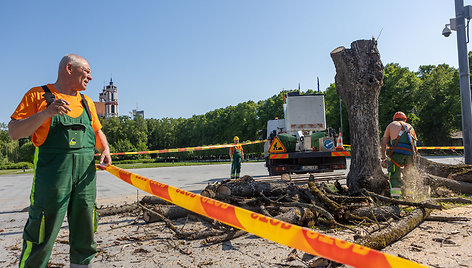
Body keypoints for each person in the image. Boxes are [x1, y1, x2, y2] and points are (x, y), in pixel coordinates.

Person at [8, 54, 112, 268]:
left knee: (85, 234)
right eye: (87, 71)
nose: (90, 77)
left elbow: (97, 131)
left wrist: (106, 149)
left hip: (84, 181)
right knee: (41, 234)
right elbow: (14, 132)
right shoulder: (38, 95)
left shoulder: (86, 102)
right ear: (69, 68)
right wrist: (46, 113)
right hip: (51, 182)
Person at [380, 111, 418, 199]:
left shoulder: (391, 125)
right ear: (405, 119)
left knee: (394, 175)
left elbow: (384, 143)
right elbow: (415, 144)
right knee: (410, 175)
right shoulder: (410, 127)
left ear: (394, 119)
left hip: (396, 155)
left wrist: (384, 157)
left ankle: (396, 198)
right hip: (410, 155)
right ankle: (409, 197)